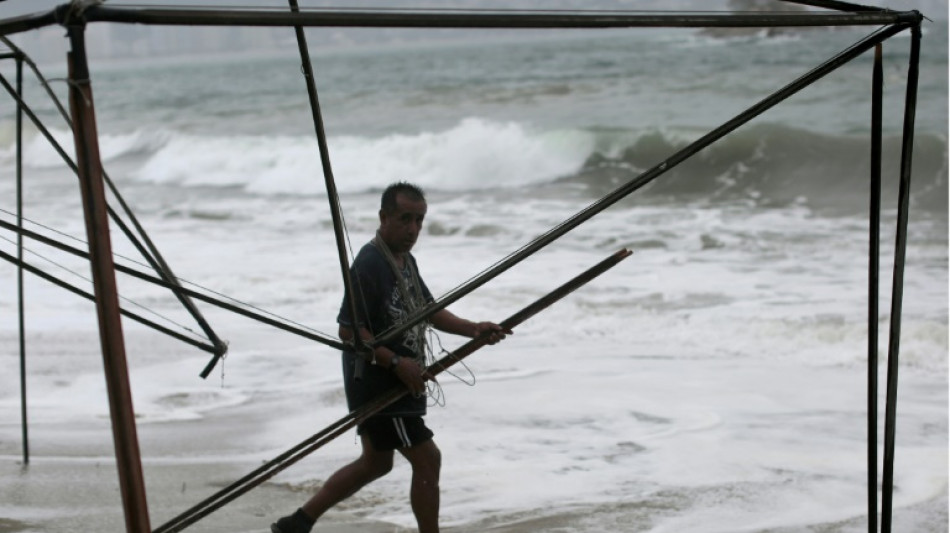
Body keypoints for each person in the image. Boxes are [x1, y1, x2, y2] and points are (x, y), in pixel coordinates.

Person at [272, 182, 509, 533]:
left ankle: (298, 522)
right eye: (404, 219)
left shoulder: (405, 259)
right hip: (381, 383)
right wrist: (395, 363)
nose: (413, 229)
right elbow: (350, 331)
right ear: (384, 217)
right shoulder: (370, 264)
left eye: (419, 220)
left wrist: (474, 329)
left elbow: (427, 310)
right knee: (428, 459)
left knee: (376, 463)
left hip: (403, 380)